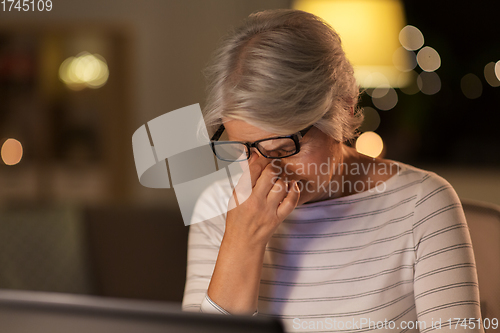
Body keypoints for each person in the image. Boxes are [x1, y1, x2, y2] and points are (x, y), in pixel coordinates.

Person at [182, 9, 483, 332]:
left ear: (344, 108)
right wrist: (241, 243)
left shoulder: (422, 204)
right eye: (242, 149)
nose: (262, 172)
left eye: (284, 149)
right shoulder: (216, 206)